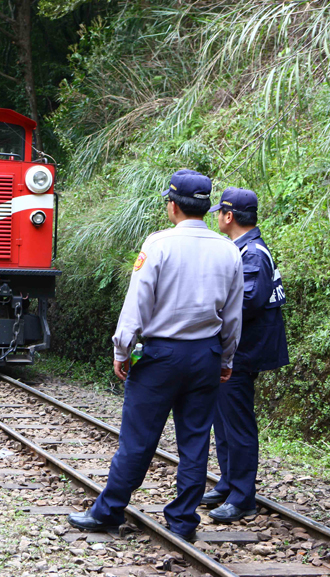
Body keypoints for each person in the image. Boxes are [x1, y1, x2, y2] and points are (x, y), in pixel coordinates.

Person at [67, 169, 244, 540]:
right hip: (206, 355)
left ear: (174, 206)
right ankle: (183, 522)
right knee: (195, 443)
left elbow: (138, 303)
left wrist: (122, 349)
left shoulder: (159, 244)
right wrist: (225, 360)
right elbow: (233, 315)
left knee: (138, 440)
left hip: (161, 356)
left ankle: (109, 512)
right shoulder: (228, 249)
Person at [203, 187, 288, 522]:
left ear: (229, 216)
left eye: (219, 214)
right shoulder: (245, 249)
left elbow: (247, 302)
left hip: (243, 351)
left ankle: (242, 498)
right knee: (223, 421)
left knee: (237, 424)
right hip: (236, 350)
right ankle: (228, 483)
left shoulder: (251, 253)